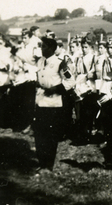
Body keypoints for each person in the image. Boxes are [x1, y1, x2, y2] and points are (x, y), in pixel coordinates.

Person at [33, 37, 75, 172]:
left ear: (52, 49)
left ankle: (48, 165)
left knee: (50, 136)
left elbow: (70, 82)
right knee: (39, 135)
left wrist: (54, 89)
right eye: (41, 46)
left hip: (53, 104)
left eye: (44, 47)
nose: (42, 49)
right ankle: (42, 163)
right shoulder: (40, 61)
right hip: (40, 102)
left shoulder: (60, 63)